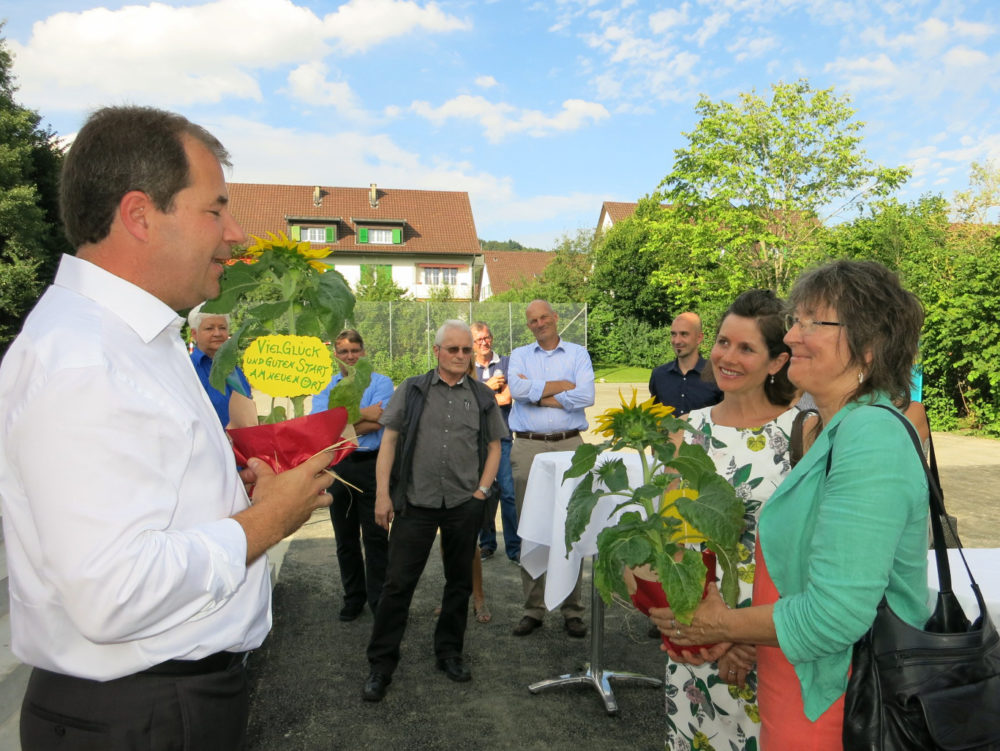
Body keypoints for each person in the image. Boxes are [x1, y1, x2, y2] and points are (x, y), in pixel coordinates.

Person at [0, 105, 335, 748]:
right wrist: (268, 520)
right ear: (139, 215)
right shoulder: (85, 360)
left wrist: (232, 493)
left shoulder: (135, 339)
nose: (234, 234)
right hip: (140, 715)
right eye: (215, 209)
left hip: (155, 705)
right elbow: (114, 591)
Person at [653, 260, 929, 749]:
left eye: (810, 323)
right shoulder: (833, 430)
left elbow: (834, 616)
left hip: (838, 705)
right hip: (801, 692)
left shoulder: (870, 438)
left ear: (868, 343)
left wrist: (723, 624)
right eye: (795, 321)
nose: (793, 336)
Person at [632, 289, 800, 750]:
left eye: (747, 348)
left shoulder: (804, 433)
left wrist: (749, 638)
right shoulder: (684, 431)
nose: (727, 356)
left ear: (776, 362)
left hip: (773, 639)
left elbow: (812, 549)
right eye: (724, 342)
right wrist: (688, 626)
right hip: (697, 641)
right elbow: (668, 541)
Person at [362, 321, 507, 702]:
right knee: (397, 586)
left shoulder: (481, 395)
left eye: (465, 350)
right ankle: (381, 665)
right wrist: (382, 495)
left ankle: (449, 653)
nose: (460, 356)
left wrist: (481, 491)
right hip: (415, 503)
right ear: (437, 351)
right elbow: (388, 441)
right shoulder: (411, 389)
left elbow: (495, 445)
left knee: (459, 584)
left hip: (463, 504)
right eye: (453, 349)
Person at [507, 300, 595, 639]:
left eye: (544, 317)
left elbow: (585, 395)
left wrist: (538, 391)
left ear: (556, 319)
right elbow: (517, 390)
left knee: (572, 526)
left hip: (571, 446)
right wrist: (561, 385)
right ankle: (533, 609)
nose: (539, 323)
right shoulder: (520, 355)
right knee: (531, 528)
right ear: (528, 325)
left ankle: (572, 610)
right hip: (528, 447)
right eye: (533, 320)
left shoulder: (577, 354)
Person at [310, 330, 395, 621]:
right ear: (336, 355)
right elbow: (324, 428)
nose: (350, 356)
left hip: (373, 466)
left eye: (355, 351)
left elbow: (379, 422)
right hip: (340, 466)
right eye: (344, 352)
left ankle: (379, 600)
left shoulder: (381, 383)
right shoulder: (326, 387)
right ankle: (353, 598)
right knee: (345, 539)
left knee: (376, 537)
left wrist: (344, 419)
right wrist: (363, 413)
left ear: (363, 351)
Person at [471, 320, 520, 563]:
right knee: (483, 492)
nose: (484, 342)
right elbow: (465, 402)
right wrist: (489, 388)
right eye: (479, 339)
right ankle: (487, 544)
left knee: (509, 494)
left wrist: (481, 392)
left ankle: (515, 548)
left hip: (503, 438)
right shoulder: (468, 367)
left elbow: (506, 398)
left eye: (487, 337)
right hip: (476, 442)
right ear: (472, 343)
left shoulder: (506, 363)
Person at [187, 303, 258, 429]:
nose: (217, 333)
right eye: (209, 328)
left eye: (222, 328)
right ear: (194, 334)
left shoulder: (233, 369)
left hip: (241, 444)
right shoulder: (189, 369)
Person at [649, 312, 723, 413]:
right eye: (673, 334)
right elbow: (653, 417)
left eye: (684, 334)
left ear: (699, 338)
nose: (677, 340)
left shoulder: (717, 375)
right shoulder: (658, 375)